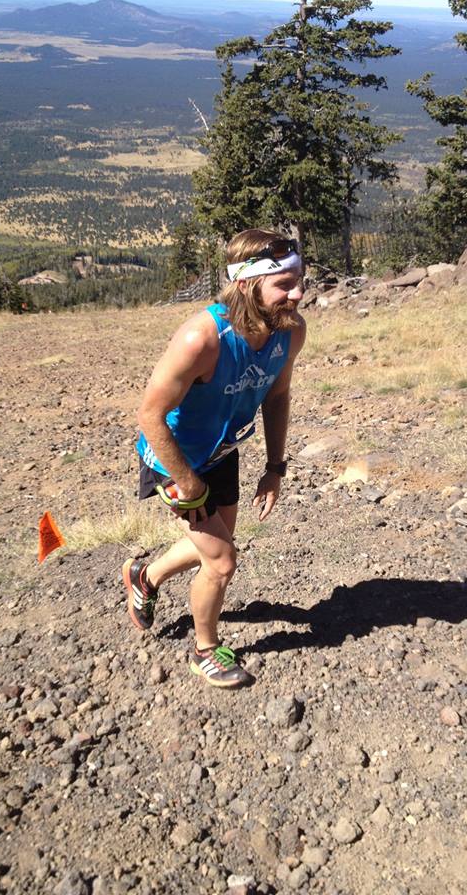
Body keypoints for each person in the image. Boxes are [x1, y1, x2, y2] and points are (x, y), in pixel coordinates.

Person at [122, 229, 306, 689]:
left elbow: (277, 394)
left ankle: (146, 574)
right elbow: (150, 415)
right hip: (173, 457)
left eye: (299, 279)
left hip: (222, 451)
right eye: (284, 284)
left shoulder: (290, 331)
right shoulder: (202, 338)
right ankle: (206, 650)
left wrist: (275, 467)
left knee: (216, 540)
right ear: (247, 286)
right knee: (222, 561)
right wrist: (187, 482)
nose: (298, 293)